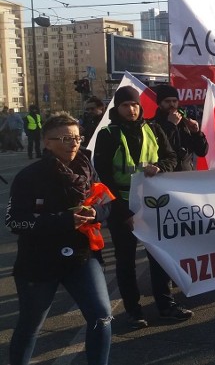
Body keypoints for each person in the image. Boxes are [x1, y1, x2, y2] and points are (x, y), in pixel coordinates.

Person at [7, 112, 112, 365]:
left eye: (77, 137)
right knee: (31, 325)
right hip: (39, 261)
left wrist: (95, 212)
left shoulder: (87, 168)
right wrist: (64, 220)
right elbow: (15, 221)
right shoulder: (29, 176)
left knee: (101, 316)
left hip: (80, 256)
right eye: (65, 138)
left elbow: (107, 204)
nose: (73, 143)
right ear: (46, 142)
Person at [93, 86, 186, 329]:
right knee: (126, 262)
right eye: (125, 105)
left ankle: (166, 306)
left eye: (134, 105)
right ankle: (134, 312)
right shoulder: (108, 134)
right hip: (121, 207)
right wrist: (123, 212)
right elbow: (104, 178)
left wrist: (161, 167)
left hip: (152, 205)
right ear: (118, 108)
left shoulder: (153, 128)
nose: (131, 109)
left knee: (159, 256)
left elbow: (171, 156)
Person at [151, 84, 209, 171]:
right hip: (165, 176)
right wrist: (171, 125)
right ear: (159, 104)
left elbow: (202, 152)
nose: (172, 104)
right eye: (167, 101)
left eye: (174, 101)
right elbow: (161, 149)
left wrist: (197, 133)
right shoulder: (153, 124)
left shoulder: (185, 123)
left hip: (186, 177)